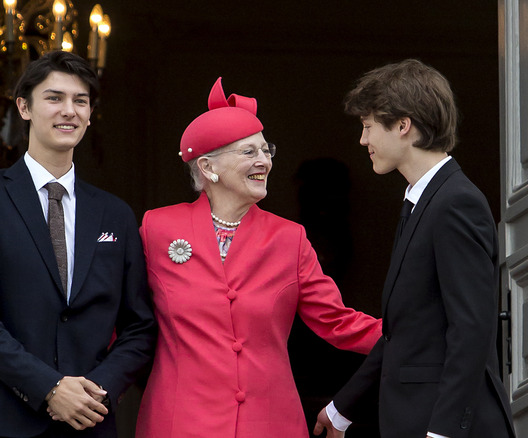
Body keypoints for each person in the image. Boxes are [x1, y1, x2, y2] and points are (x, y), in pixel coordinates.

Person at [134, 78, 382, 437]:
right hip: (180, 420)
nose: (264, 160)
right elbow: (124, 319)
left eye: (267, 150)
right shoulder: (157, 228)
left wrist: (410, 336)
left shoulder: (289, 238)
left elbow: (337, 322)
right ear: (207, 166)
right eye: (249, 152)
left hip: (270, 421)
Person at [0, 51, 156, 437]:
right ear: (24, 107)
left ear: (91, 114)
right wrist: (50, 388)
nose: (69, 111)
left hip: (89, 420)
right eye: (54, 98)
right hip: (1, 418)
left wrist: (97, 392)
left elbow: (139, 327)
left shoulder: (116, 214)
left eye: (80, 101)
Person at [314, 59, 515, 438]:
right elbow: (407, 331)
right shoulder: (422, 201)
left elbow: (472, 329)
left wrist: (443, 432)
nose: (363, 140)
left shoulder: (455, 202)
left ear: (403, 125)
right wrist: (343, 408)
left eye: (368, 126)